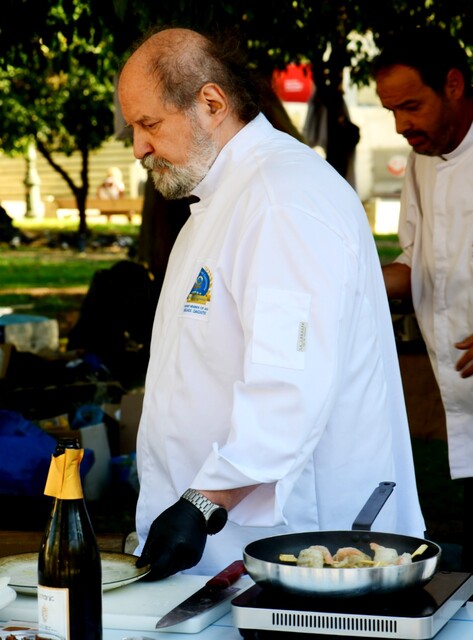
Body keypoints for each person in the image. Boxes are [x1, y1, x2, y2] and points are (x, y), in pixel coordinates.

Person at [117, 27, 425, 580]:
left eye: (149, 124)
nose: (139, 147)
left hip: (303, 550)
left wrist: (203, 503)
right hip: (232, 545)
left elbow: (288, 385)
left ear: (212, 104)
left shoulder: (281, 200)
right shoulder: (226, 198)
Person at [373, 26, 473, 568]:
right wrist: (344, 283)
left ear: (453, 84)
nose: (401, 126)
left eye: (411, 106)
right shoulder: (421, 160)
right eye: (392, 111)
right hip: (462, 396)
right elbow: (415, 264)